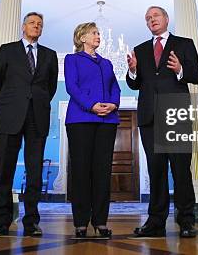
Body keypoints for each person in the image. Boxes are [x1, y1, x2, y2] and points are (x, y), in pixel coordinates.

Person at [126, 6, 198, 238]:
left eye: (155, 16)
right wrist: (132, 71)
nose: (152, 20)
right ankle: (155, 222)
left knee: (181, 171)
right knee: (156, 171)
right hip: (150, 118)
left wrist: (181, 69)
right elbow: (135, 84)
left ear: (166, 19)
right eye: (148, 18)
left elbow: (197, 75)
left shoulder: (184, 44)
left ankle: (186, 221)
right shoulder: (140, 49)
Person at [0, 12, 59, 237]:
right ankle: (2, 222)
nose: (36, 26)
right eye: (32, 23)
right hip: (11, 116)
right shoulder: (7, 50)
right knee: (5, 170)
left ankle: (31, 222)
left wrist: (35, 102)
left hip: (37, 118)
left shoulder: (50, 55)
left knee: (35, 172)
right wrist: (11, 104)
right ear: (23, 27)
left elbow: (50, 88)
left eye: (40, 24)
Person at [64, 22, 121, 238]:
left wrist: (114, 104)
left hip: (107, 121)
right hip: (80, 119)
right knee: (81, 171)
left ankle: (101, 221)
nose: (99, 36)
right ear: (82, 37)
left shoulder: (107, 63)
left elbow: (115, 87)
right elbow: (72, 87)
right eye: (94, 33)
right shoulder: (72, 60)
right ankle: (80, 223)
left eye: (98, 33)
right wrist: (91, 105)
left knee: (102, 171)